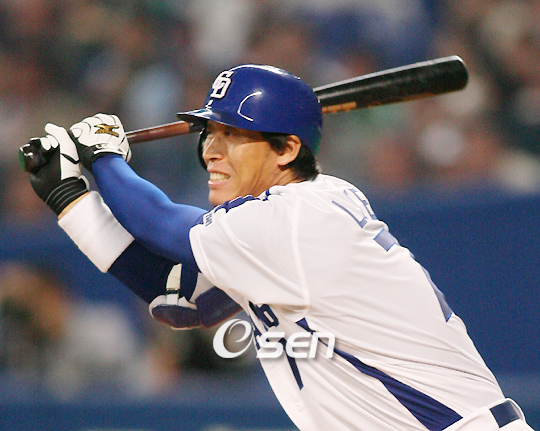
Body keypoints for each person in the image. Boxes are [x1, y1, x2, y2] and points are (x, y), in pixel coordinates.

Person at [20, 64, 534, 430]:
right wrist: (71, 199)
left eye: (231, 134)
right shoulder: (281, 227)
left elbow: (158, 223)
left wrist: (105, 155)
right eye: (208, 132)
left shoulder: (295, 216)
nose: (210, 150)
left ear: (287, 149)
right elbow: (177, 299)